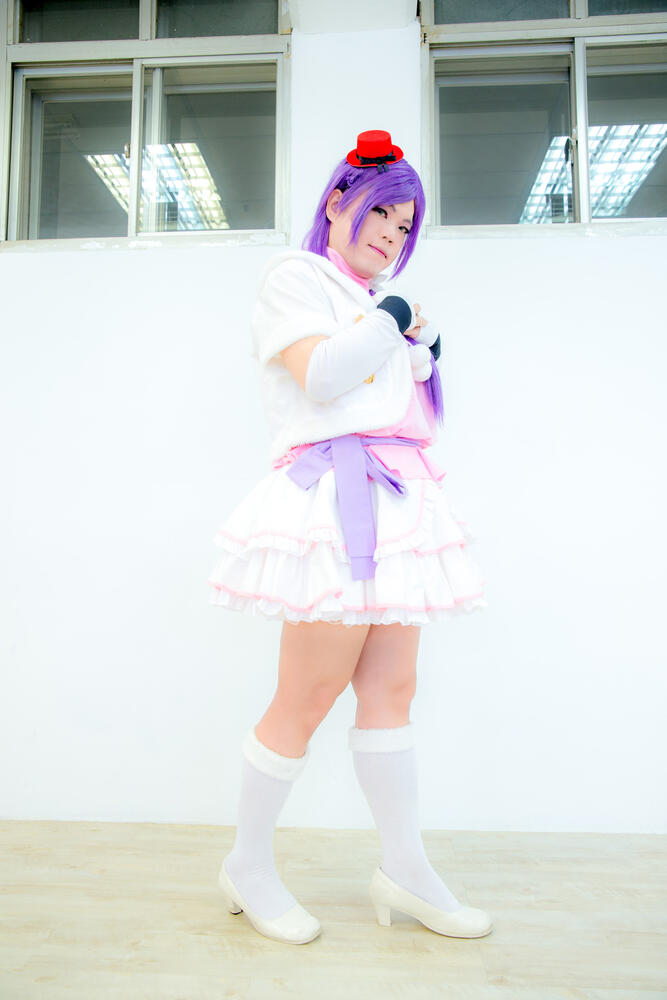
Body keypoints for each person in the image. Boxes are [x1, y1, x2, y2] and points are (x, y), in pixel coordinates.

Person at [208, 130, 491, 945]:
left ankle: (405, 870)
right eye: (383, 215)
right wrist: (395, 319)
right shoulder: (295, 278)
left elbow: (409, 414)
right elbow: (323, 377)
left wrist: (424, 354)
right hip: (333, 502)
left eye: (405, 228)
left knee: (392, 691)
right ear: (339, 200)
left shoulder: (367, 302)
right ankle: (247, 864)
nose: (392, 237)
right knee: (307, 694)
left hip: (395, 501)